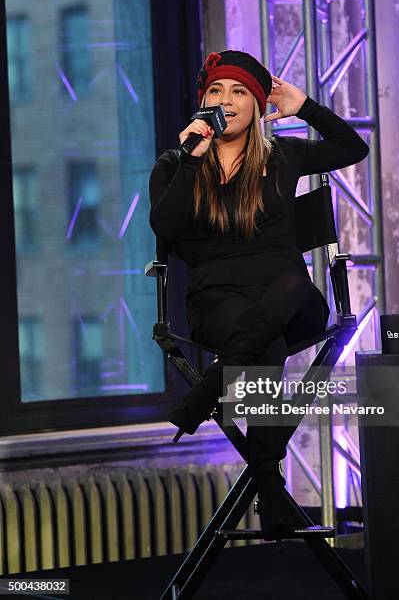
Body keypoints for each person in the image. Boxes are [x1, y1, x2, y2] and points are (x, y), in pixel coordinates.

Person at [149, 50, 369, 539]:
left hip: (293, 304)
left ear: (255, 106)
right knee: (262, 347)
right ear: (202, 102)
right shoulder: (175, 163)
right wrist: (190, 161)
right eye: (216, 91)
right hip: (218, 306)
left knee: (290, 284)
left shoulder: (282, 156)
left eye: (239, 91)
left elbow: (353, 148)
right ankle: (272, 496)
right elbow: (163, 228)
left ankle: (209, 391)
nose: (226, 101)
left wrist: (305, 106)